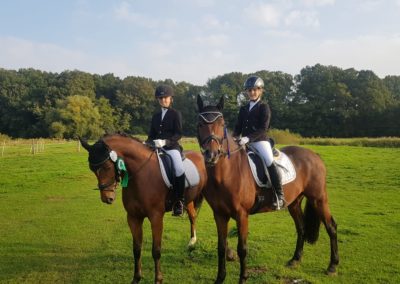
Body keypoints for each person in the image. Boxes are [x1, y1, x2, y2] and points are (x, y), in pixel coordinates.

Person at [233, 75, 286, 209]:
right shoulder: (243, 108)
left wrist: (248, 138)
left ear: (261, 90)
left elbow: (264, 128)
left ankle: (279, 195)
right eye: (249, 90)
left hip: (260, 141)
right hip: (244, 142)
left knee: (269, 161)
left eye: (255, 89)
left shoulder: (264, 107)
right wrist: (234, 137)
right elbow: (238, 126)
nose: (252, 92)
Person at [146, 84, 185, 216]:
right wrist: (146, 143)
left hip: (171, 147)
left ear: (171, 99)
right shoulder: (155, 116)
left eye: (165, 98)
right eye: (161, 98)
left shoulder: (175, 114)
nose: (163, 100)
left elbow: (178, 134)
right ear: (158, 100)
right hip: (156, 147)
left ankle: (179, 201)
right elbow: (151, 135)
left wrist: (166, 141)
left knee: (179, 169)